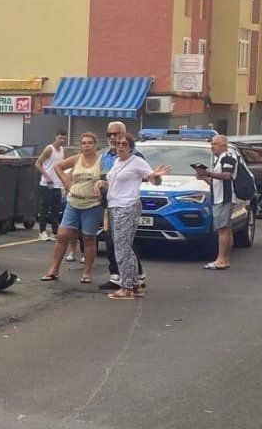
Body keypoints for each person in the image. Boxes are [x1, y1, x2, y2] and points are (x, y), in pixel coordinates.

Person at [100, 132, 170, 299]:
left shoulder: (137, 162)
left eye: (124, 144)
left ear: (131, 147)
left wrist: (156, 176)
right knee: (124, 247)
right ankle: (135, 285)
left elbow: (152, 179)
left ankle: (126, 287)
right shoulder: (117, 162)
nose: (120, 146)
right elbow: (115, 184)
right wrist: (103, 184)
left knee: (122, 248)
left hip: (127, 206)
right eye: (118, 144)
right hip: (115, 206)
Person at [41, 132, 103, 284]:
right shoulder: (77, 158)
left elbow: (111, 175)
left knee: (88, 238)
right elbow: (58, 166)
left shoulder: (102, 161)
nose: (86, 145)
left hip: (92, 204)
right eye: (83, 143)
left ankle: (87, 272)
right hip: (73, 202)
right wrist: (66, 183)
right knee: (62, 235)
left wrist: (103, 185)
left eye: (89, 143)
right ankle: (53, 270)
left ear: (96, 145)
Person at [99, 121, 146, 291]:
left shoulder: (135, 156)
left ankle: (132, 281)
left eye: (117, 135)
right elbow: (105, 176)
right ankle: (119, 277)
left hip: (126, 204)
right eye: (109, 135)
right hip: (109, 203)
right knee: (111, 241)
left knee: (123, 243)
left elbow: (145, 176)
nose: (113, 138)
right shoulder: (106, 155)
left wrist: (156, 176)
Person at [195, 134, 238, 270]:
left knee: (222, 229)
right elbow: (216, 182)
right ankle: (224, 258)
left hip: (224, 198)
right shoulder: (219, 160)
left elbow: (227, 176)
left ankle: (221, 259)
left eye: (215, 144)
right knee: (226, 228)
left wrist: (207, 173)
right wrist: (203, 177)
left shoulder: (227, 158)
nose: (211, 146)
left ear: (224, 146)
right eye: (212, 143)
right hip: (219, 196)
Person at [33, 131, 67, 242]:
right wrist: (47, 176)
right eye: (60, 138)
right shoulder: (49, 149)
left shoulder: (62, 150)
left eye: (63, 138)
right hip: (47, 185)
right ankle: (42, 232)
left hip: (57, 185)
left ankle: (54, 232)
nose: (61, 140)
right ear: (55, 137)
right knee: (44, 209)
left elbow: (61, 166)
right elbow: (38, 163)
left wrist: (64, 180)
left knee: (56, 211)